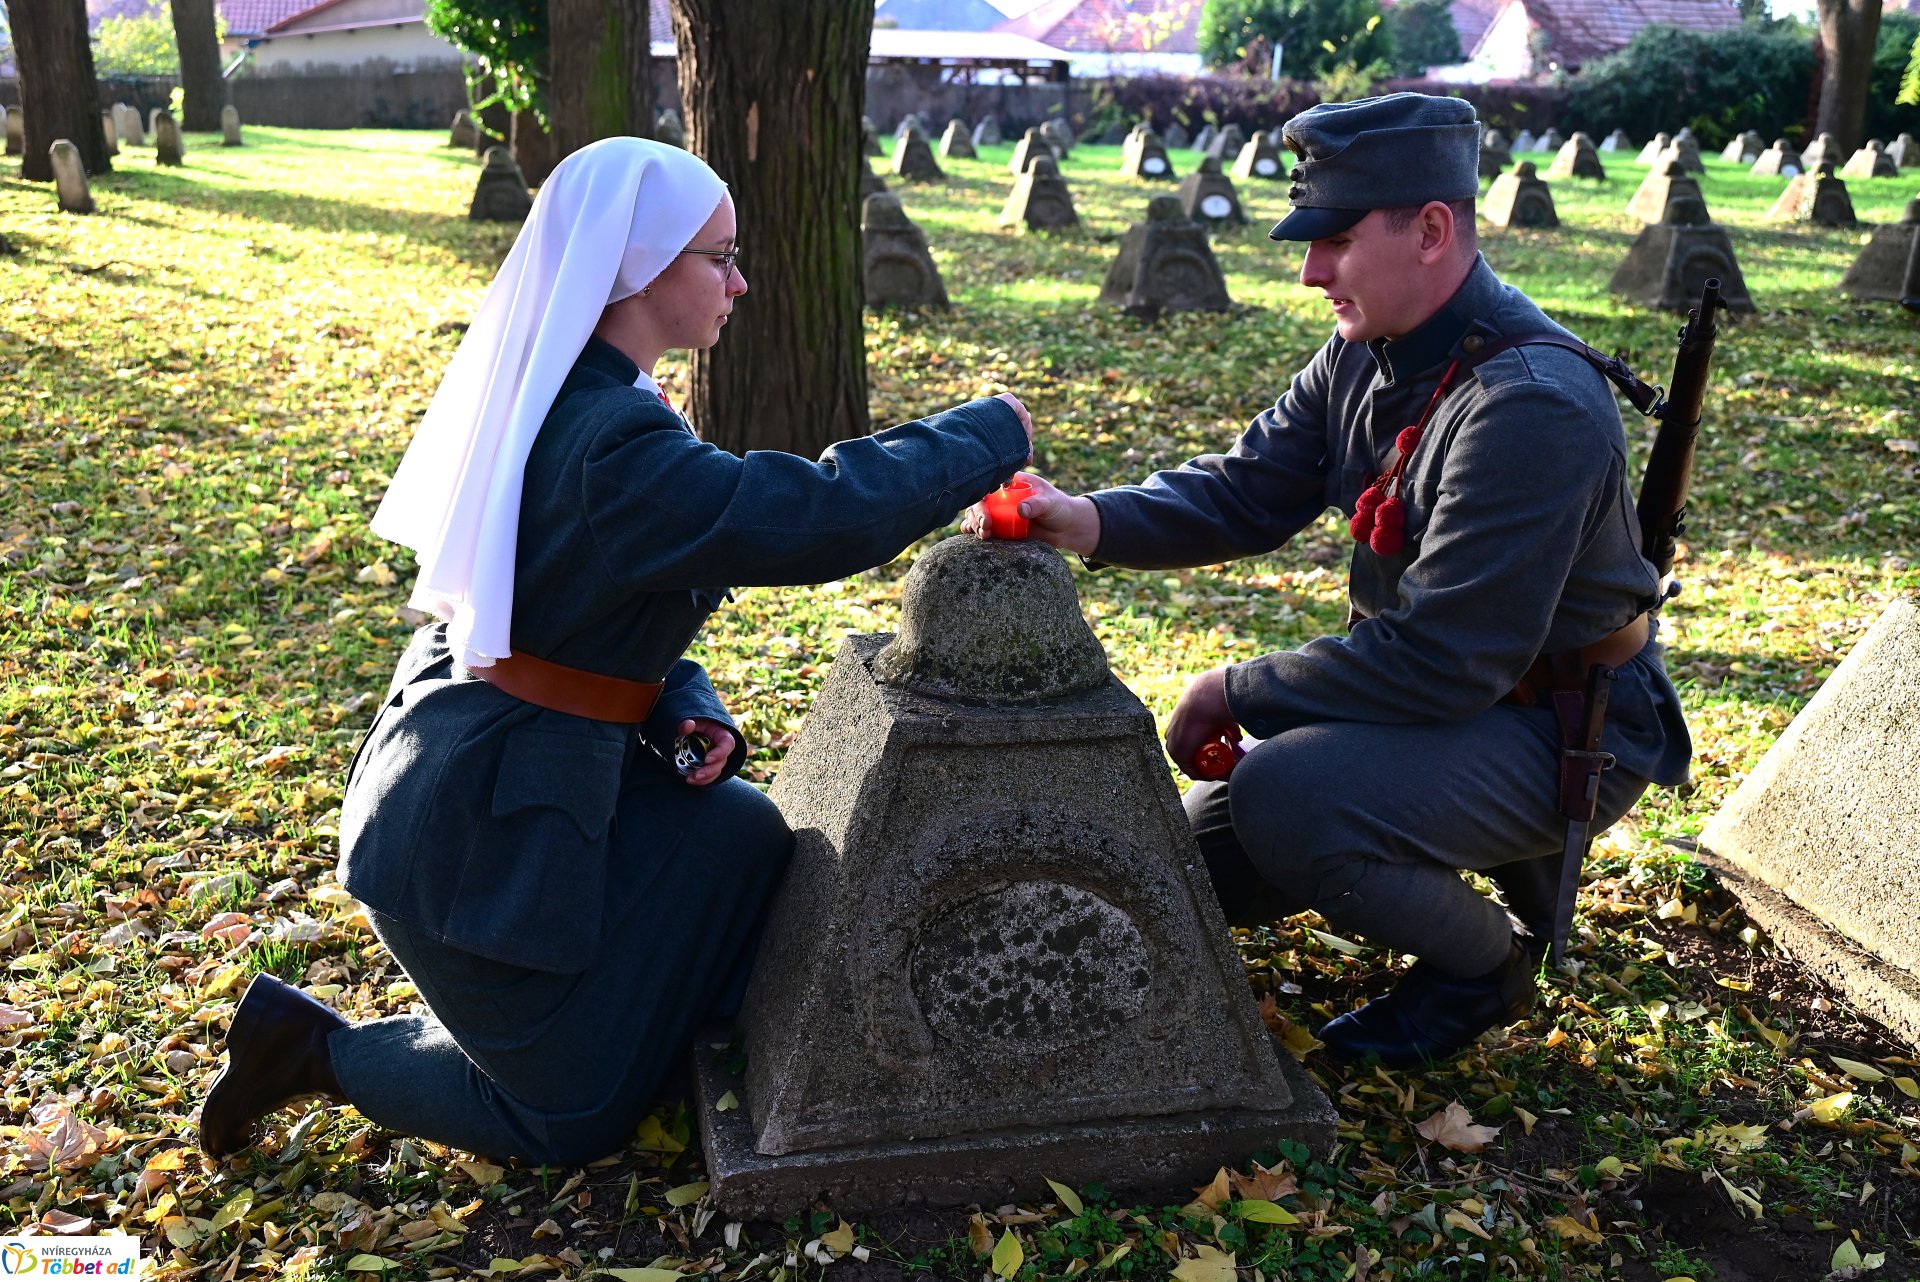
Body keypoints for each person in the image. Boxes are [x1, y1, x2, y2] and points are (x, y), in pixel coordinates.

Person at [199, 137, 1034, 1164]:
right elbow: (806, 518)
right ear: (638, 270)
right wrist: (987, 433)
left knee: (737, 837)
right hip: (468, 834)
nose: (740, 279)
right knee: (567, 1115)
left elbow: (575, 600)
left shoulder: (586, 397)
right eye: (717, 257)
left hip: (503, 763)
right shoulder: (610, 441)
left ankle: (628, 1023)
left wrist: (680, 697)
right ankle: (312, 1053)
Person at [969, 93, 1690, 1069]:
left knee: (1284, 797)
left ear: (1432, 230)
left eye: (1336, 241)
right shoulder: (1375, 348)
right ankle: (1401, 837)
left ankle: (1485, 967)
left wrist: (1235, 689)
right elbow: (1247, 489)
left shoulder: (1529, 407)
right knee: (1181, 873)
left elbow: (1441, 659)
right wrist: (1082, 518)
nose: (1311, 272)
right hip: (1448, 701)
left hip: (1560, 726)